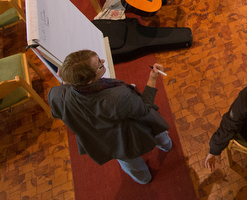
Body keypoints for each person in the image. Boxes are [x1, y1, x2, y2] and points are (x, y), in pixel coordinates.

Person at [48, 50, 171, 184]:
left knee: (128, 161)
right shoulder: (118, 97)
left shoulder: (55, 95)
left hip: (100, 140)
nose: (103, 61)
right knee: (156, 130)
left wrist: (65, 84)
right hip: (126, 134)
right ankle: (166, 146)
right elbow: (144, 107)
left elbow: (57, 112)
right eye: (99, 65)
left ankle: (144, 179)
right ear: (89, 80)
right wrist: (152, 78)